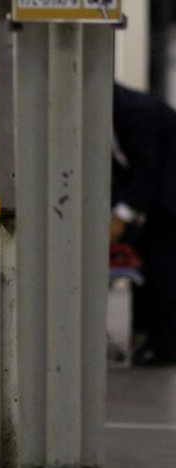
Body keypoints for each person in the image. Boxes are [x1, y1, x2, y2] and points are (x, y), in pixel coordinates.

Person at [112, 83, 176, 366]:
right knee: (147, 264)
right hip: (157, 200)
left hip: (168, 197)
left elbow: (147, 170)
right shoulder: (114, 114)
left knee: (163, 270)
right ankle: (148, 338)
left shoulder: (135, 112)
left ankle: (165, 347)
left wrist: (121, 216)